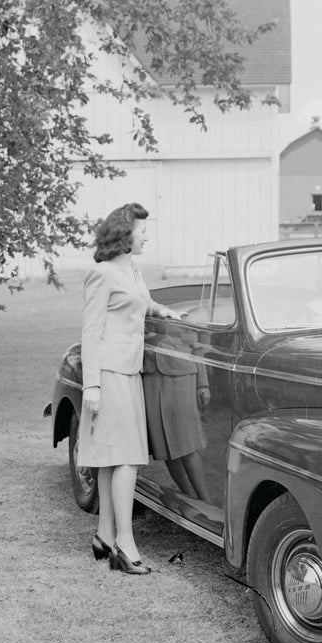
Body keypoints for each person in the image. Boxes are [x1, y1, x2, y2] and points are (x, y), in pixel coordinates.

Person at [78, 202, 178, 574]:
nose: (147, 236)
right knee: (127, 458)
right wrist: (91, 384)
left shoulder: (131, 269)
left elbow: (140, 302)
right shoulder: (101, 274)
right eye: (143, 230)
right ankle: (124, 542)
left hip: (128, 371)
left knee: (111, 456)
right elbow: (91, 330)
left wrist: (162, 311)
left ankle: (104, 535)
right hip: (109, 373)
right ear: (126, 233)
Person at [142, 323, 211, 503]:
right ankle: (190, 498)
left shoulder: (195, 305)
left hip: (182, 375)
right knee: (165, 446)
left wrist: (202, 383)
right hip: (150, 375)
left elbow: (200, 343)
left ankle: (207, 503)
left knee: (187, 444)